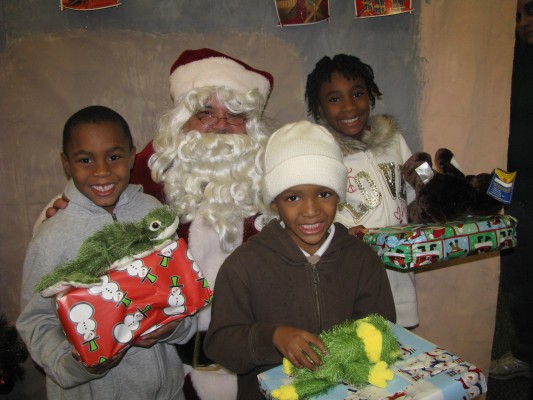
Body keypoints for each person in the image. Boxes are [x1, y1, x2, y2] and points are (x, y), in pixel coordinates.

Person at [36, 48, 275, 400]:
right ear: (183, 120)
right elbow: (97, 184)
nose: (222, 125)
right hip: (171, 373)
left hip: (255, 368)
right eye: (206, 112)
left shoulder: (273, 176)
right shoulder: (151, 170)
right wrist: (62, 209)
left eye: (236, 115)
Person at [204, 120, 396, 400]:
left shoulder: (361, 260)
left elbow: (380, 329)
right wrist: (273, 337)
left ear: (339, 195)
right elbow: (221, 345)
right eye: (293, 197)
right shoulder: (243, 267)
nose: (311, 211)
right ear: (274, 202)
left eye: (324, 193)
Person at [16, 105, 197, 400]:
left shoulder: (153, 213)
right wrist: (77, 365)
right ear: (66, 163)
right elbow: (36, 321)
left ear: (131, 156)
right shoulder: (51, 237)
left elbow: (179, 289)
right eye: (85, 160)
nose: (102, 171)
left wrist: (173, 328)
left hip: (168, 391)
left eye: (114, 157)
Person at [304, 54, 418, 328]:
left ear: (371, 95)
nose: (349, 106)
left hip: (399, 269)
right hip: (349, 269)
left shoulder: (393, 141)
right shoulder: (319, 154)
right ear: (319, 107)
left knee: (400, 339)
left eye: (357, 94)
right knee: (359, 342)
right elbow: (309, 212)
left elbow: (415, 196)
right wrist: (341, 232)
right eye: (334, 99)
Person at [489, 0, 533, 388]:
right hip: (511, 183)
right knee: (515, 273)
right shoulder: (506, 60)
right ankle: (522, 352)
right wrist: (497, 196)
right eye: (517, 16)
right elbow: (498, 136)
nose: (524, 23)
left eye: (531, 10)